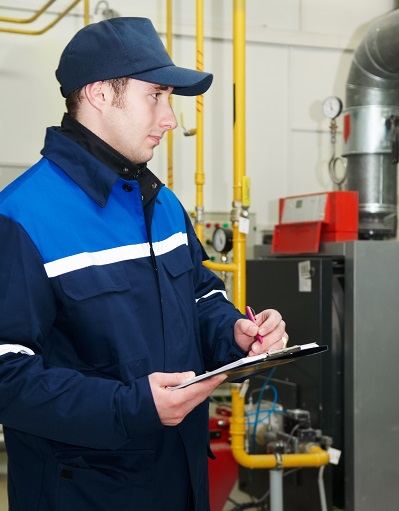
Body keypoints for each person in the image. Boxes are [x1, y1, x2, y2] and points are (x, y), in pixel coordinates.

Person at [0, 17, 287, 511]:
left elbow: (199, 295)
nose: (170, 118)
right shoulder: (23, 217)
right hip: (85, 490)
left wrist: (234, 333)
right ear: (98, 94)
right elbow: (7, 374)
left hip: (181, 478)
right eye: (155, 95)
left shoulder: (162, 204)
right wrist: (127, 407)